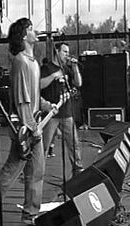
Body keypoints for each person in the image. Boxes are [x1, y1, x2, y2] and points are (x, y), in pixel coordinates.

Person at [0, 18, 56, 226]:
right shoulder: (21, 61)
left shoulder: (33, 62)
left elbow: (34, 96)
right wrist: (31, 126)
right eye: (31, 28)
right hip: (25, 130)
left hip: (34, 126)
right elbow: (22, 100)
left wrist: (48, 106)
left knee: (37, 171)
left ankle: (30, 214)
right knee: (12, 170)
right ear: (23, 36)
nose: (35, 31)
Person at [40, 42, 84, 177]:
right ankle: (36, 172)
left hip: (66, 112)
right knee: (44, 146)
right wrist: (54, 76)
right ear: (57, 52)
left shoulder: (67, 68)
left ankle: (78, 170)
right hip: (51, 113)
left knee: (74, 143)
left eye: (68, 52)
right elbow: (39, 85)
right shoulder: (46, 68)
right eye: (64, 52)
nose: (67, 55)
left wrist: (75, 67)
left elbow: (78, 83)